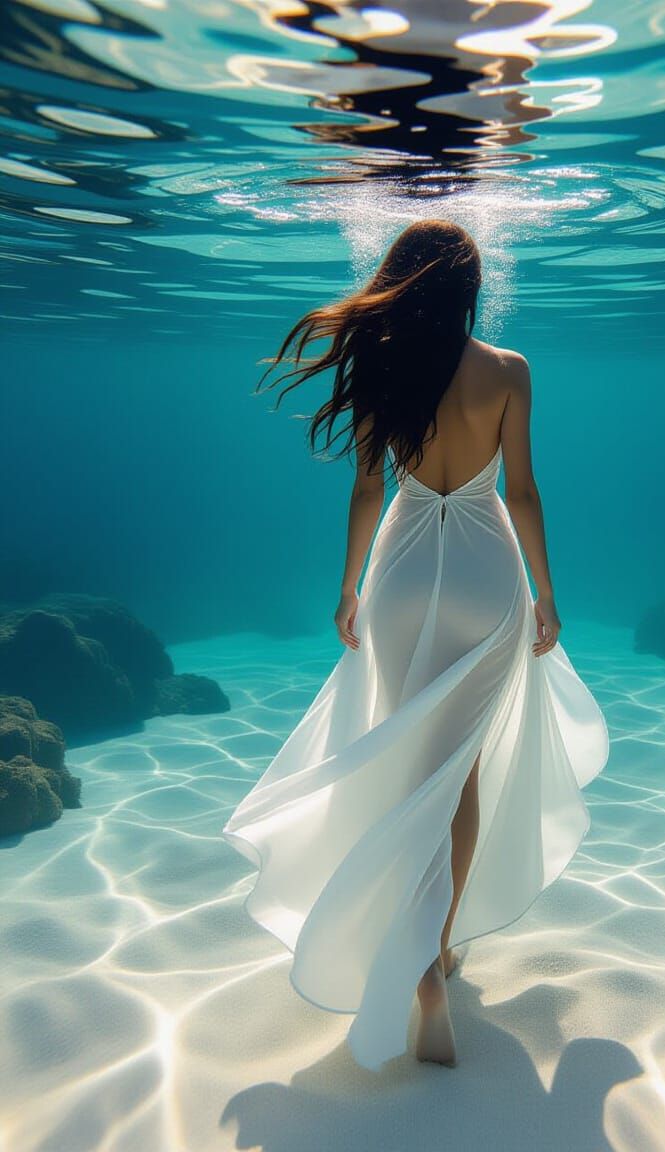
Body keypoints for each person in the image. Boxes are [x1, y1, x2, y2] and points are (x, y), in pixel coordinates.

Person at [222, 219, 609, 1072]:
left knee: (410, 767)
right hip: (485, 574)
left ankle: (422, 957)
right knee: (457, 773)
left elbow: (369, 488)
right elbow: (523, 492)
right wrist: (546, 593)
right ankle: (434, 952)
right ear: (470, 288)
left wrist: (349, 585)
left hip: (400, 575)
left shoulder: (382, 364)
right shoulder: (510, 370)